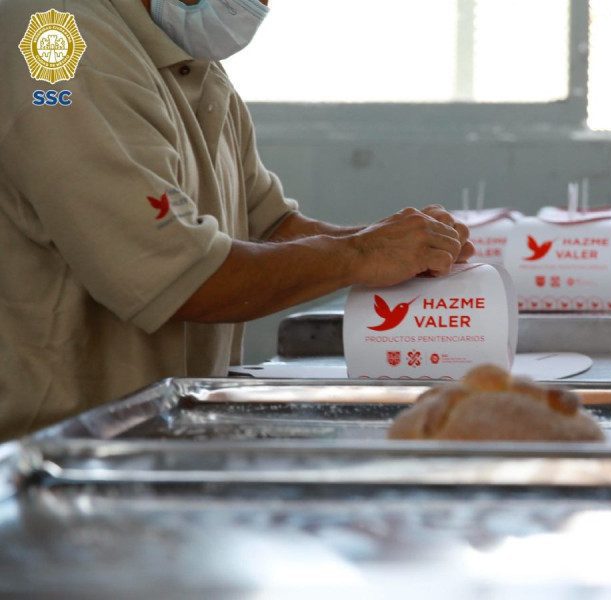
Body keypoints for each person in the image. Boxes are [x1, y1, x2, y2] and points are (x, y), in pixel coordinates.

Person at [0, 0, 473, 441]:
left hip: (147, 434)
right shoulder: (57, 37)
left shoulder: (186, 62)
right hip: (51, 453)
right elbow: (186, 278)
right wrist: (365, 253)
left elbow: (269, 227)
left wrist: (399, 245)